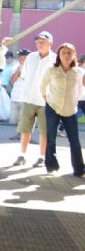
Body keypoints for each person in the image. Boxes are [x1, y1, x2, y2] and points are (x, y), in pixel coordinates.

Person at [40, 42, 84, 177]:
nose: (66, 55)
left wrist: (74, 101)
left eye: (69, 53)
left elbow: (80, 89)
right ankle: (51, 166)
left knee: (74, 140)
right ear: (59, 55)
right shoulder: (52, 70)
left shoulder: (78, 72)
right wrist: (46, 98)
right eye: (63, 53)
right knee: (51, 138)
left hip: (70, 110)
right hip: (52, 107)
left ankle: (79, 170)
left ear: (73, 55)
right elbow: (42, 86)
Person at [13, 31, 56, 167]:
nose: (39, 44)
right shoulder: (30, 57)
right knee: (25, 130)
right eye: (38, 42)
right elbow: (24, 75)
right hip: (28, 98)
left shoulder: (55, 59)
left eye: (43, 41)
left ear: (50, 43)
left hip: (46, 101)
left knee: (44, 132)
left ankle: (42, 157)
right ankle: (22, 155)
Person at [9, 48, 30, 132]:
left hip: (26, 97)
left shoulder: (32, 67)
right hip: (15, 95)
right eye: (20, 56)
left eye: (23, 56)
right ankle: (15, 134)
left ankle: (21, 135)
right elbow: (12, 80)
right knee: (14, 120)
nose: (20, 58)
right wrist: (18, 69)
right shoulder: (15, 66)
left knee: (24, 120)